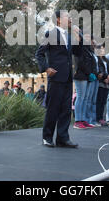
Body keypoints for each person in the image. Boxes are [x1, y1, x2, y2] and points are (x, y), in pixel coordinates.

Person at [35, 10, 82, 148]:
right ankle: (47, 137)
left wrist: (77, 37)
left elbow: (78, 53)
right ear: (59, 19)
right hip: (55, 76)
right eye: (67, 16)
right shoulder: (51, 33)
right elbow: (39, 54)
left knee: (66, 109)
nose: (70, 18)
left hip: (67, 77)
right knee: (53, 108)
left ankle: (63, 138)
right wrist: (46, 68)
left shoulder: (68, 35)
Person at [72, 33, 94, 129]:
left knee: (85, 98)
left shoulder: (88, 49)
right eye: (86, 37)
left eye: (90, 37)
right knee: (80, 97)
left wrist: (91, 73)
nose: (88, 39)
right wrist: (89, 73)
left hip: (87, 75)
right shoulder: (79, 47)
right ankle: (77, 121)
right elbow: (80, 62)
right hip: (80, 75)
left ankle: (83, 119)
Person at [95, 44, 109, 127]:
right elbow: (99, 71)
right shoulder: (97, 59)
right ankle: (98, 118)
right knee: (99, 101)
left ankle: (102, 118)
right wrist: (105, 77)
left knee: (104, 102)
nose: (103, 50)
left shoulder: (106, 60)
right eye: (101, 49)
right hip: (100, 83)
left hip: (107, 84)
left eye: (103, 49)